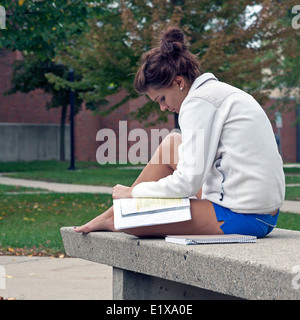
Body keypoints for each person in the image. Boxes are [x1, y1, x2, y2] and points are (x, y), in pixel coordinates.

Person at [75, 26, 285, 238]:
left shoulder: (198, 103)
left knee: (131, 221)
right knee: (172, 143)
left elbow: (187, 183)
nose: (163, 108)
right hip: (260, 208)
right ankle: (113, 214)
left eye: (162, 99)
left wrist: (133, 192)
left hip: (246, 215)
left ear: (178, 82)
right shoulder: (214, 93)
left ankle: (116, 215)